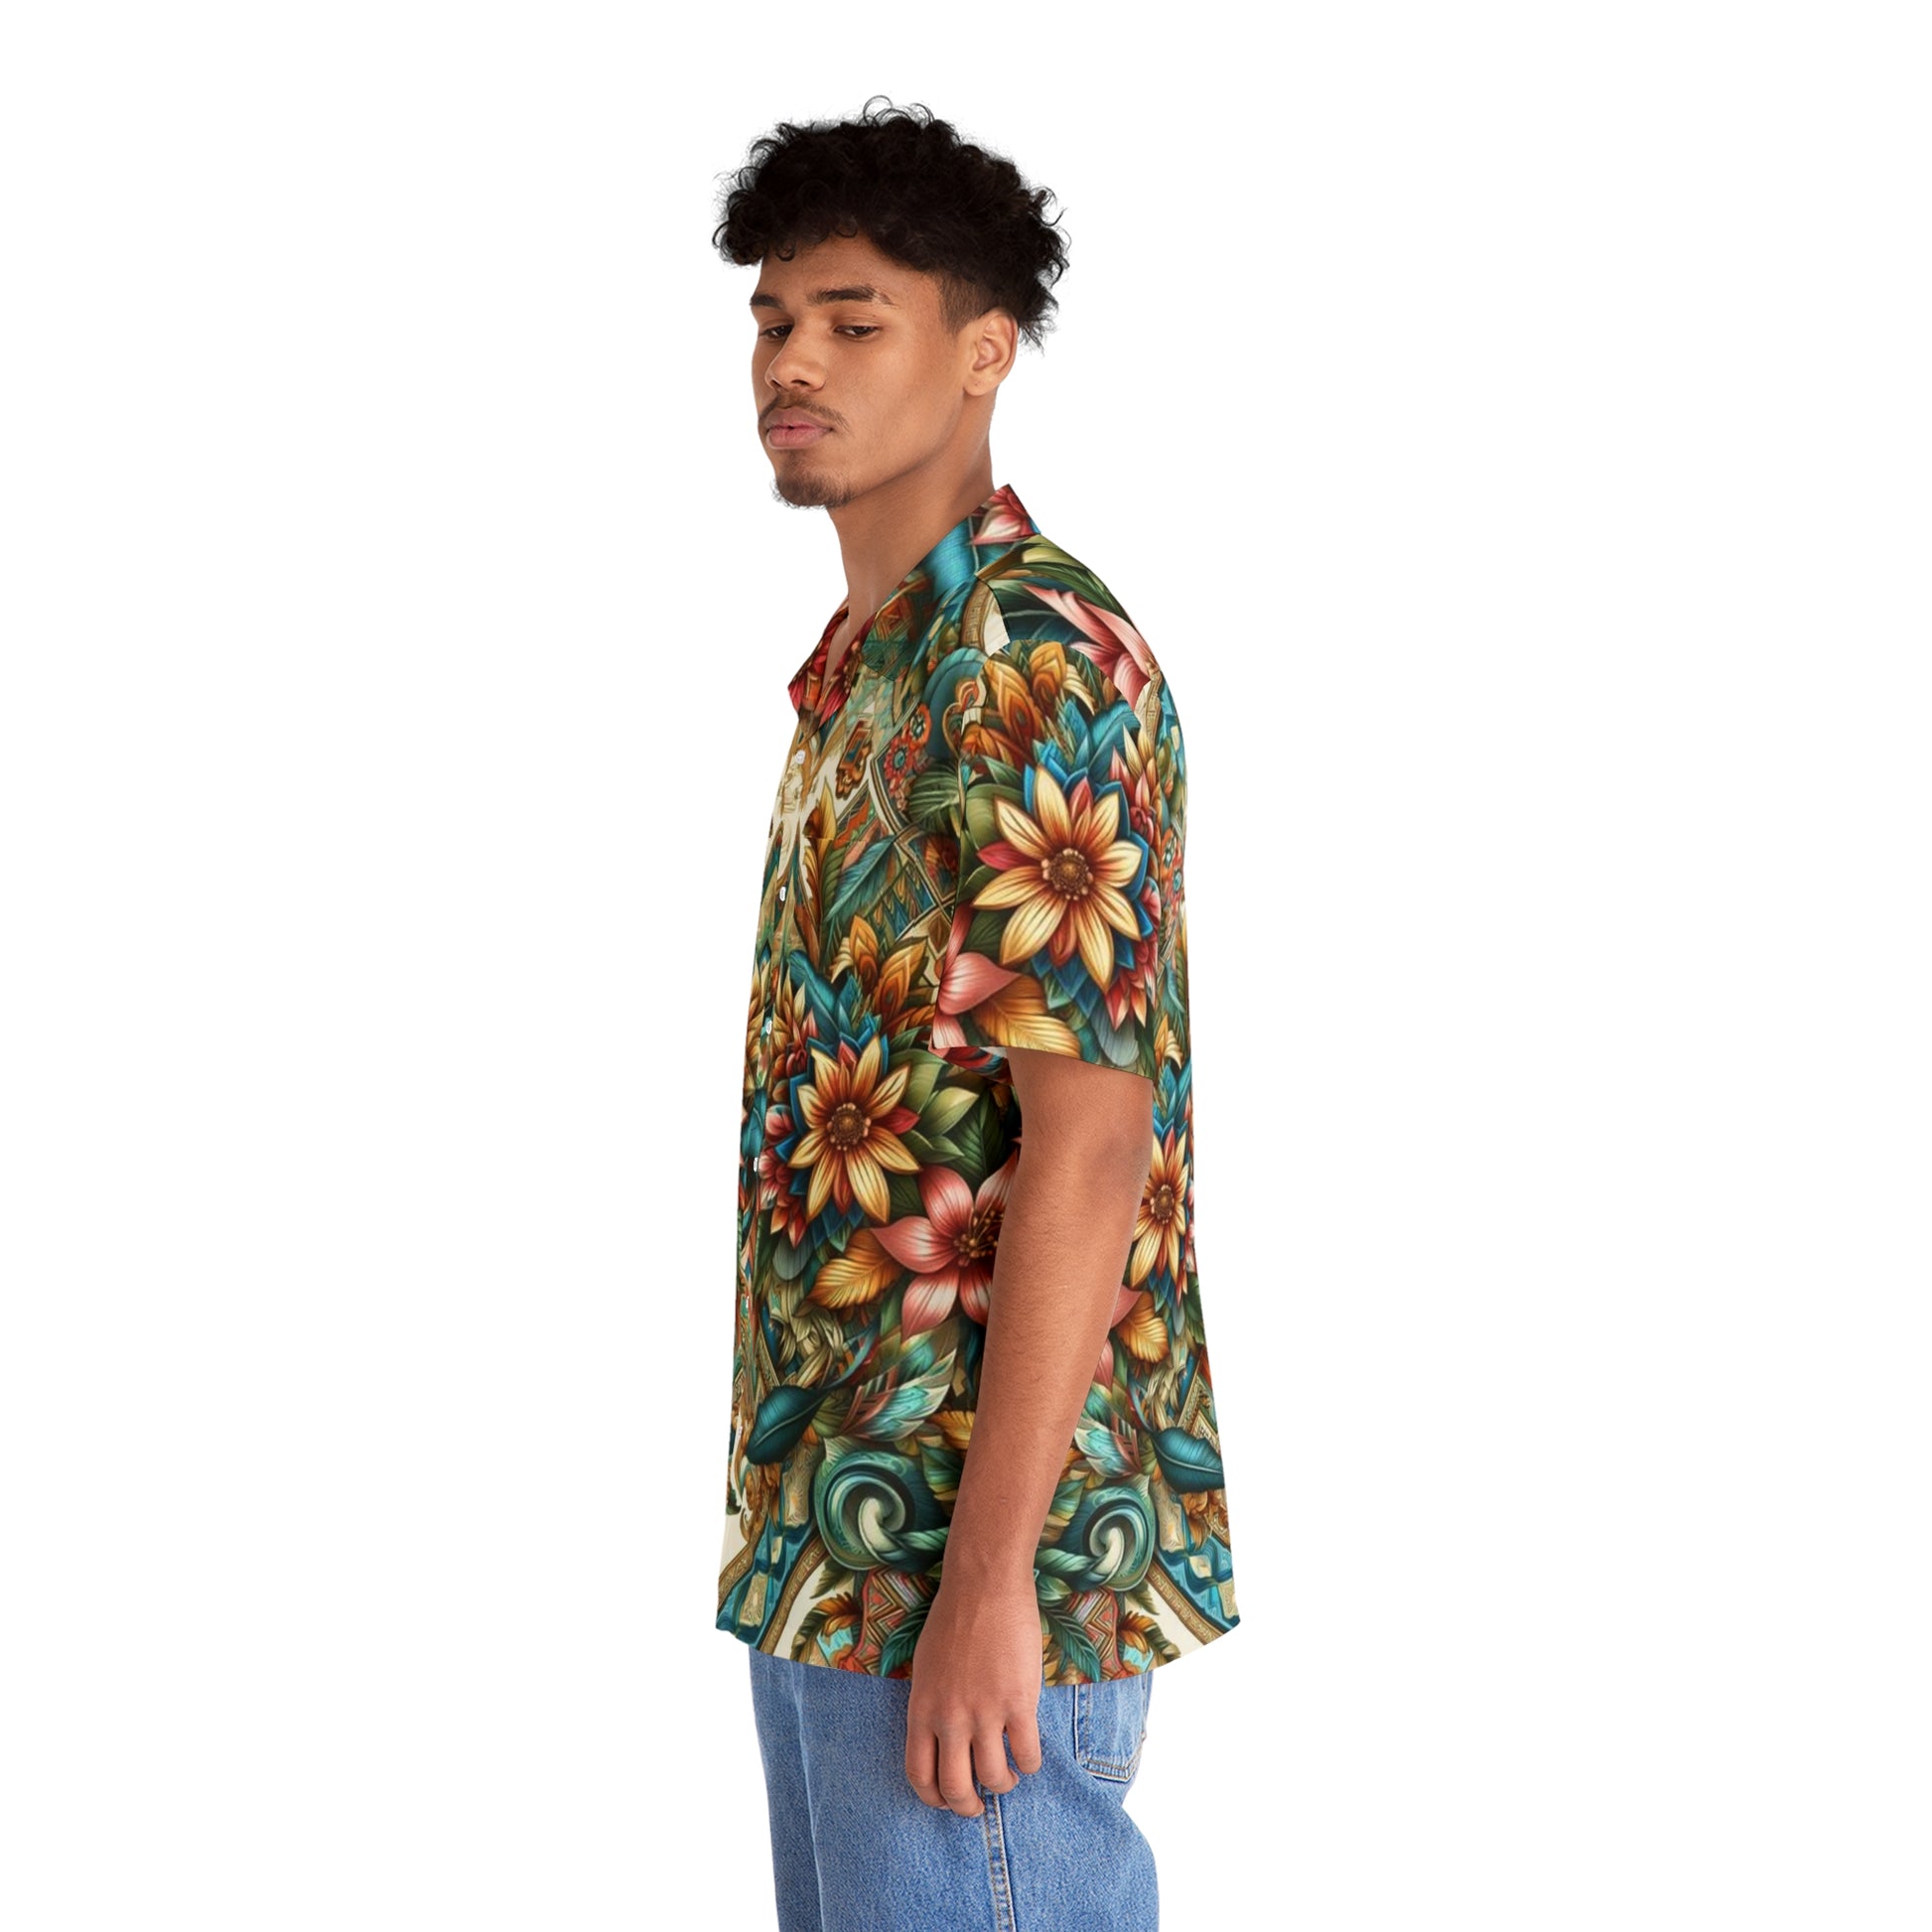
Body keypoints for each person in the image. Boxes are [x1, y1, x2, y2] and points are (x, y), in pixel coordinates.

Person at [709, 99, 1240, 1932]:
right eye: (775, 320)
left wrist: (989, 1579)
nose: (793, 362)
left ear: (982, 350)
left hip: (967, 1562)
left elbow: (1088, 1144)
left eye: (854, 322)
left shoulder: (1027, 659)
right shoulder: (875, 668)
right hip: (835, 1535)